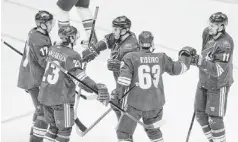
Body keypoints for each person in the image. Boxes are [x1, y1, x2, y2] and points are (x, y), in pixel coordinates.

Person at [111, 31, 196, 142]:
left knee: (123, 132)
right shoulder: (161, 57)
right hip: (156, 104)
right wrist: (185, 55)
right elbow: (178, 68)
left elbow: (124, 81)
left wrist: (117, 95)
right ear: (152, 43)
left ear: (139, 43)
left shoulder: (130, 57)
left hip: (136, 104)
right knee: (153, 130)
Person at [38, 25, 109, 142]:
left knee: (53, 128)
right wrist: (97, 88)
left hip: (45, 97)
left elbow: (66, 59)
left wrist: (84, 57)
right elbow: (81, 80)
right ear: (71, 38)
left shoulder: (52, 49)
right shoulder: (73, 56)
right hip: (61, 100)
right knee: (64, 131)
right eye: (75, 37)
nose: (76, 38)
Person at [82, 15, 139, 119]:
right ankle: (121, 124)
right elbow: (107, 40)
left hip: (130, 84)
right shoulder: (119, 36)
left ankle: (124, 128)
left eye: (116, 29)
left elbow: (135, 67)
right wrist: (93, 51)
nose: (113, 31)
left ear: (124, 30)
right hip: (120, 81)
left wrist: (120, 65)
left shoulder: (130, 46)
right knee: (115, 101)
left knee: (121, 104)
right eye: (113, 28)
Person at [191, 12, 234, 142]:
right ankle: (213, 140)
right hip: (203, 81)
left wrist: (200, 62)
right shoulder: (207, 33)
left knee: (215, 119)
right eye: (209, 24)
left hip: (218, 85)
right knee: (200, 115)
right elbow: (204, 53)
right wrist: (192, 55)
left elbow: (218, 70)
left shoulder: (226, 44)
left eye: (213, 25)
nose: (209, 27)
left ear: (221, 27)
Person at [17, 10, 55, 142]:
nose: (52, 24)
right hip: (34, 80)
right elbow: (45, 62)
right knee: (44, 113)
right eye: (50, 22)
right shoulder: (39, 39)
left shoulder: (34, 32)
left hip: (29, 75)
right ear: (42, 24)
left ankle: (33, 138)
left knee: (40, 110)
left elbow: (39, 54)